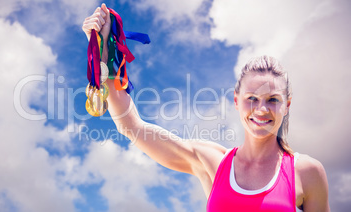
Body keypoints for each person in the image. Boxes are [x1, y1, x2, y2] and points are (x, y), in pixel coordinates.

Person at [82, 4, 330, 212]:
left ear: (286, 106)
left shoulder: (306, 171)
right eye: (251, 98)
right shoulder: (213, 162)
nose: (262, 109)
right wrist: (103, 50)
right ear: (236, 100)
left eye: (273, 100)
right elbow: (132, 127)